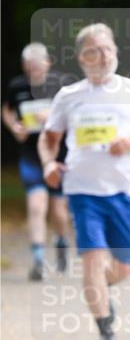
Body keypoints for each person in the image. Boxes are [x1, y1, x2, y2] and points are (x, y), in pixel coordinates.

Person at [39, 23, 130, 340]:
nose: (105, 55)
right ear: (83, 57)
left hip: (125, 190)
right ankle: (105, 330)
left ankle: (100, 292)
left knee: (124, 268)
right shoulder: (69, 96)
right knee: (93, 262)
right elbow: (48, 138)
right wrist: (50, 164)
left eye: (109, 48)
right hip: (82, 190)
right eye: (96, 49)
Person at [2, 43, 71, 279]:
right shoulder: (17, 85)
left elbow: (75, 114)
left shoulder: (62, 85)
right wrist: (15, 128)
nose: (33, 70)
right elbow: (8, 110)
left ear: (47, 63)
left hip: (58, 155)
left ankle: (61, 243)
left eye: (37, 65)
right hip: (31, 155)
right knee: (36, 206)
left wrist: (52, 115)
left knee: (59, 211)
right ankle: (38, 259)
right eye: (28, 66)